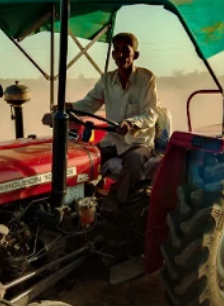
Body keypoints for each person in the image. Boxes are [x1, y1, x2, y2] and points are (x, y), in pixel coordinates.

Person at [68, 32, 159, 206]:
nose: (120, 54)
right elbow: (89, 104)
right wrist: (69, 107)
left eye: (126, 49)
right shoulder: (107, 80)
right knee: (84, 159)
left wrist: (131, 123)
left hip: (138, 142)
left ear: (135, 55)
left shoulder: (146, 79)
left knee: (133, 162)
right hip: (113, 141)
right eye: (116, 50)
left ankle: (121, 205)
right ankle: (82, 203)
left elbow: (151, 113)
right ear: (112, 55)